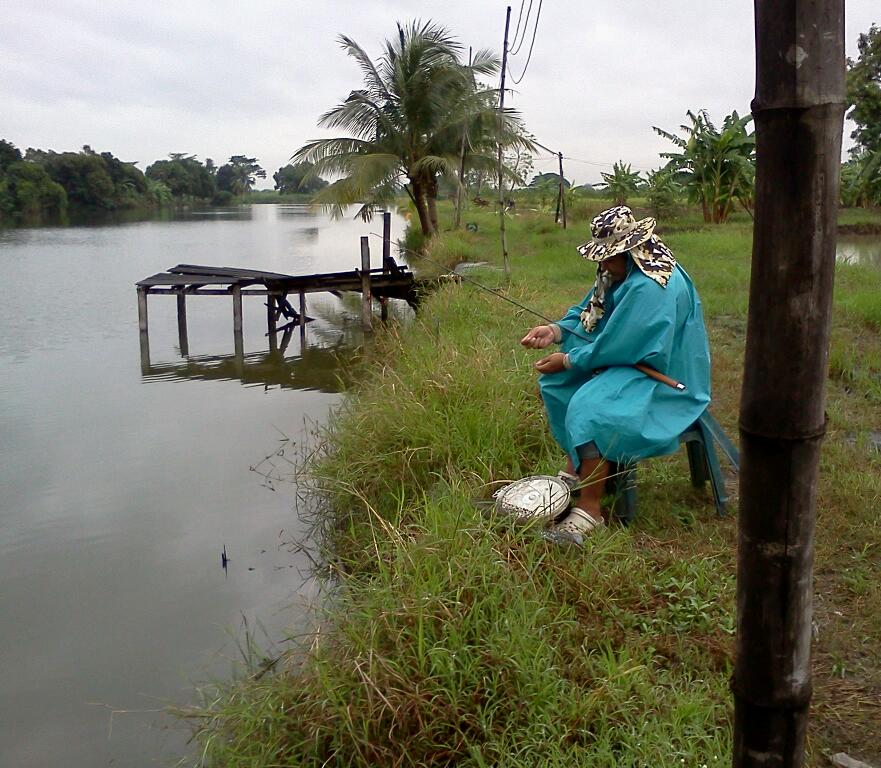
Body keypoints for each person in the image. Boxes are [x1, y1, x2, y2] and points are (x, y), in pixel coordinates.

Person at [520, 205, 711, 544]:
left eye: (607, 258)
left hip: (661, 373)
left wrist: (568, 359)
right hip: (632, 358)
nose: (603, 265)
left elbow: (619, 345)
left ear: (629, 250)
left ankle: (590, 510)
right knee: (558, 384)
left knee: (589, 406)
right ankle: (581, 468)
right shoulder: (622, 270)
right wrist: (555, 331)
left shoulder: (651, 287)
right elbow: (591, 312)